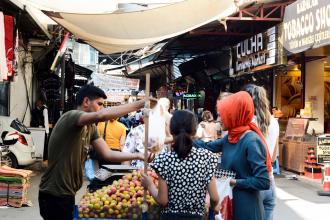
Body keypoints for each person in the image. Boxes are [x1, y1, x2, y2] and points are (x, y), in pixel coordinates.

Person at [38, 85, 155, 220]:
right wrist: (140, 104)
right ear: (86, 102)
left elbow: (108, 154)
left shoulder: (90, 127)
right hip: (53, 194)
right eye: (99, 104)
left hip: (67, 194)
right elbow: (101, 115)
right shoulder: (71, 116)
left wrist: (138, 155)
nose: (101, 108)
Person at [195, 91, 271, 220]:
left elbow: (263, 181)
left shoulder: (251, 141)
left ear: (234, 114)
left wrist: (233, 182)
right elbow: (207, 146)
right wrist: (182, 138)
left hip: (246, 208)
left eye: (222, 115)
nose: (218, 120)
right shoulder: (230, 138)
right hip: (229, 203)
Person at [141, 110, 220, 220]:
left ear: (171, 130)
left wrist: (149, 185)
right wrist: (211, 206)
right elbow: (215, 198)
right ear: (195, 131)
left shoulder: (164, 159)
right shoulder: (207, 157)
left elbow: (163, 201)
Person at [243, 84, 279, 220]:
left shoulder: (247, 123)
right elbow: (274, 156)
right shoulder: (274, 122)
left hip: (251, 181)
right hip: (269, 180)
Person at [31, 99, 50, 166]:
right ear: (37, 104)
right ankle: (43, 157)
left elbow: (45, 119)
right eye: (38, 103)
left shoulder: (43, 110)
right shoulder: (34, 111)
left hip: (42, 129)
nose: (40, 104)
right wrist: (38, 125)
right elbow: (34, 119)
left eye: (40, 103)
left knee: (44, 143)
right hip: (37, 128)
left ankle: (45, 158)